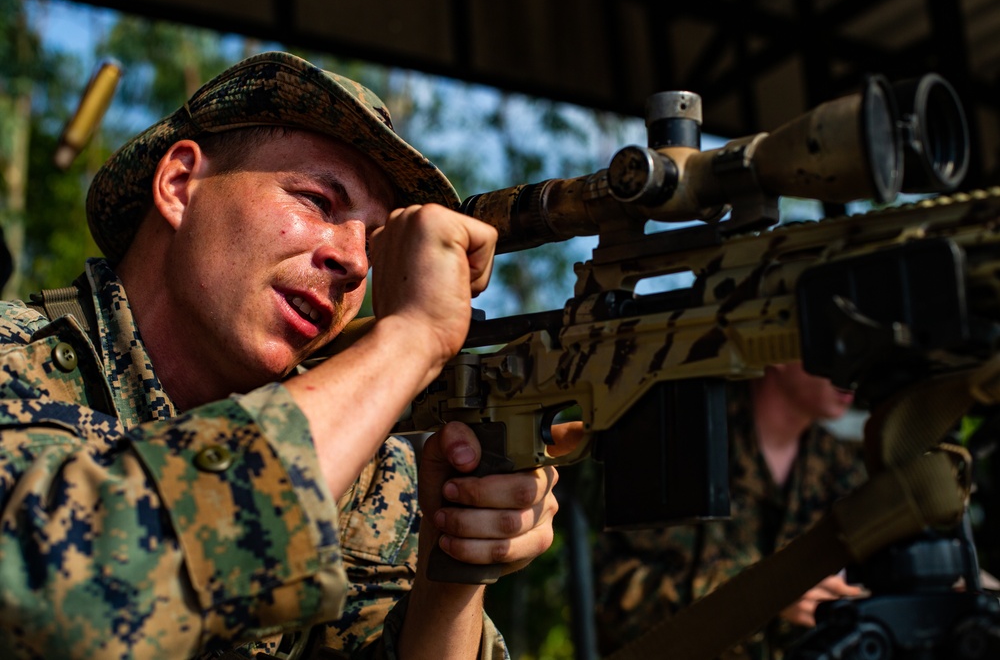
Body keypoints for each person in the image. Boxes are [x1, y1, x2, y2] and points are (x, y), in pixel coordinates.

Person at [0, 51, 568, 659]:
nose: (354, 263)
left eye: (375, 244)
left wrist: (450, 572)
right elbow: (70, 601)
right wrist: (412, 338)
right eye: (319, 201)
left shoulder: (372, 471)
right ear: (179, 184)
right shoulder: (16, 362)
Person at [593, 362, 868, 659]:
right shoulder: (675, 441)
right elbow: (616, 598)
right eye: (828, 345)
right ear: (780, 353)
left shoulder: (844, 470)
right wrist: (762, 597)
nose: (852, 368)